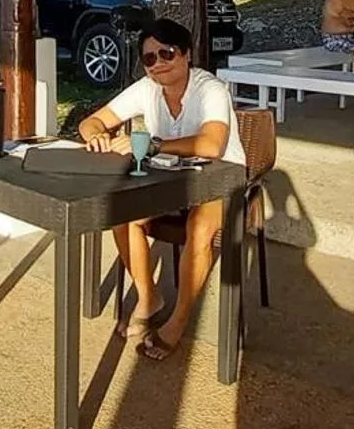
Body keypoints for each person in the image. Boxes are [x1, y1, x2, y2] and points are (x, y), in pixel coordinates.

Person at [77, 18, 247, 362]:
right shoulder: (147, 88)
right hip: (169, 178)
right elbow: (91, 121)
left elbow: (213, 146)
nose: (158, 64)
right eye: (150, 58)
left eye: (166, 53)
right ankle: (148, 297)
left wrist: (152, 144)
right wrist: (96, 135)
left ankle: (179, 319)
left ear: (185, 55)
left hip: (222, 176)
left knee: (200, 229)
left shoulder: (210, 88)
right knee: (123, 215)